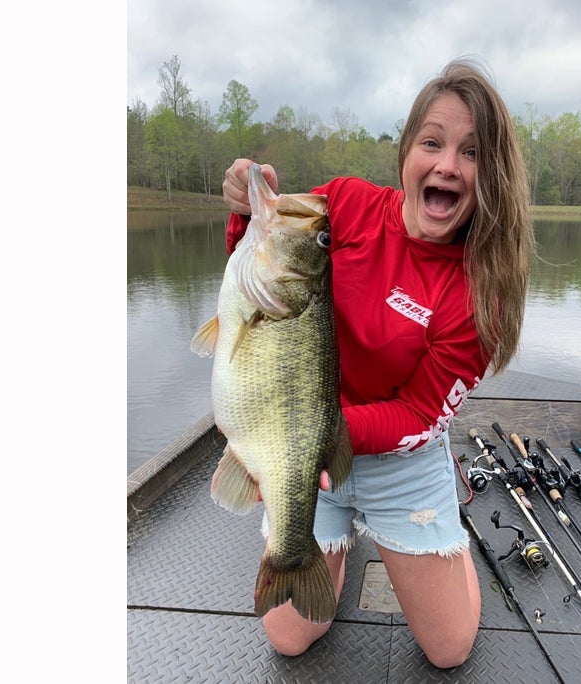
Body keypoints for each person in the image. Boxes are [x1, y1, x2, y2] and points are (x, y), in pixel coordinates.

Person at [220, 58, 534, 669]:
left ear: (490, 175)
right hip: (308, 441)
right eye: (432, 143)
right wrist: (244, 202)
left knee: (448, 650)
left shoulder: (480, 293)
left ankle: (443, 530)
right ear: (406, 154)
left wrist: (310, 441)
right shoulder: (343, 205)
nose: (447, 165)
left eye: (470, 153)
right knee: (289, 637)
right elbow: (258, 263)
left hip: (398, 457)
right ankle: (332, 555)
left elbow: (419, 410)